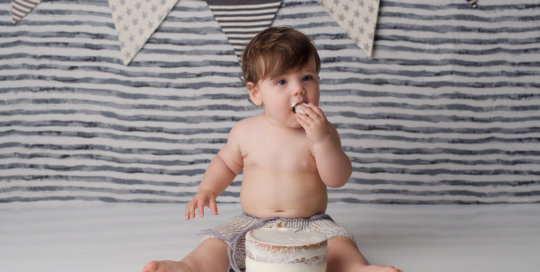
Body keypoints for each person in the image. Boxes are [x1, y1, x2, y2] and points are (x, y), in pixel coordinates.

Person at [142, 27, 403, 272]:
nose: (299, 89)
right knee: (217, 243)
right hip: (252, 222)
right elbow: (224, 163)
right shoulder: (245, 131)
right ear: (256, 93)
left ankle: (356, 269)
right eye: (281, 82)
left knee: (339, 244)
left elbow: (337, 178)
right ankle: (189, 267)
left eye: (307, 77)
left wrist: (322, 141)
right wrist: (207, 189)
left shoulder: (323, 131)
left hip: (311, 223)